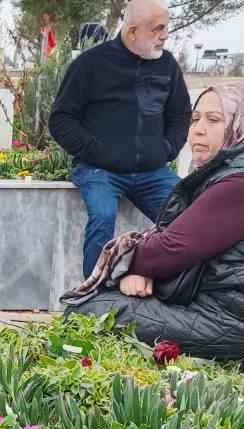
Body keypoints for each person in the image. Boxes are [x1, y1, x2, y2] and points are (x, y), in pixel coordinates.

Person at [61, 84, 244, 362]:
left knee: (88, 309)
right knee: (104, 304)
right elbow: (179, 243)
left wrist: (131, 266)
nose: (197, 129)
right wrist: (143, 269)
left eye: (214, 120)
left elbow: (172, 248)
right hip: (240, 311)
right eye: (195, 119)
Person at [50, 0, 190, 277]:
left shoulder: (167, 65)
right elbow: (61, 119)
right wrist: (97, 152)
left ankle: (173, 293)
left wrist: (165, 150)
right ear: (133, 31)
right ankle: (91, 299)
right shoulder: (90, 64)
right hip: (99, 170)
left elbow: (180, 114)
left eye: (166, 28)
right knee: (102, 217)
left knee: (187, 217)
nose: (165, 35)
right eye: (158, 29)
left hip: (153, 172)